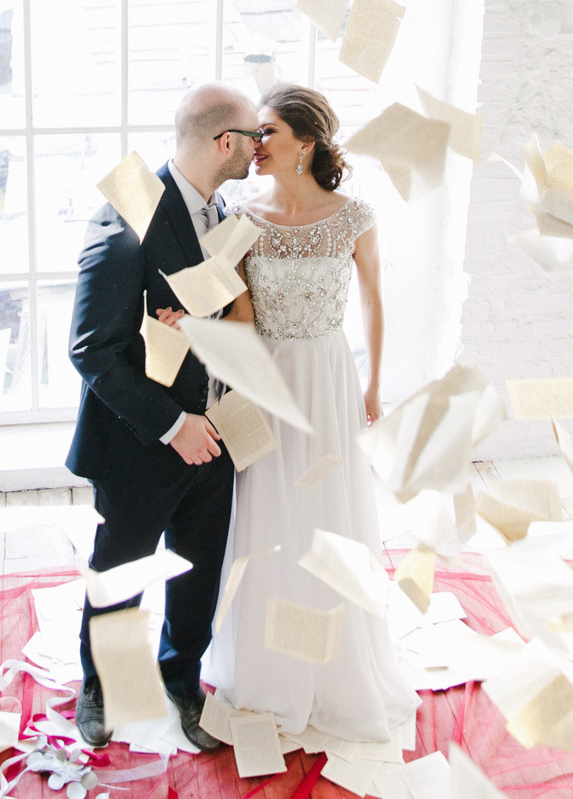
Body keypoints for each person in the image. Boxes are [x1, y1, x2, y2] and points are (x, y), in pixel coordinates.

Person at [196, 83, 420, 742]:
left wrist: (375, 386)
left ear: (306, 143)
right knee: (268, 511)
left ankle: (336, 665)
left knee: (329, 516)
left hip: (328, 378)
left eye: (267, 133)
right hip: (266, 377)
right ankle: (270, 669)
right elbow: (235, 309)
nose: (253, 145)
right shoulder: (240, 211)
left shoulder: (354, 215)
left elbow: (376, 302)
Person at [66, 83, 260, 751]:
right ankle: (104, 687)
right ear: (224, 142)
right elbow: (92, 347)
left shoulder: (224, 210)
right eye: (254, 137)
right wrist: (175, 426)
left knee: (199, 570)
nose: (260, 148)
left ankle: (181, 684)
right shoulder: (131, 202)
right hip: (140, 443)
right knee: (122, 571)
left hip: (219, 436)